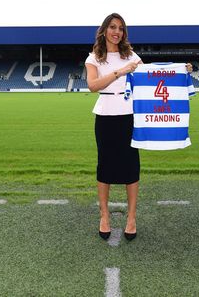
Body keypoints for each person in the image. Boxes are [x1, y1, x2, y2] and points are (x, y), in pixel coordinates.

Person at [85, 13, 142, 241]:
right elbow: (92, 85)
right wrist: (120, 72)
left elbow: (151, 77)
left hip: (129, 115)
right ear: (105, 30)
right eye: (112, 27)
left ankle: (131, 218)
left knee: (131, 167)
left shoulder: (132, 56)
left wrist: (180, 70)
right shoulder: (94, 58)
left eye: (120, 28)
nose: (116, 31)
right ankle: (105, 216)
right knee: (105, 166)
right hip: (106, 116)